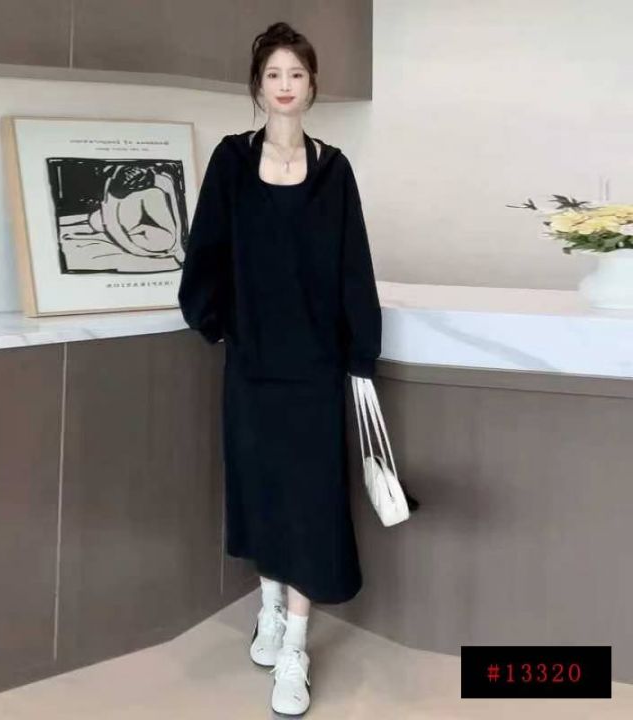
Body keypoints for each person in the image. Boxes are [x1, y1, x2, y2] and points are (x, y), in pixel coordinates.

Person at [177, 21, 381, 717]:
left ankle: (295, 644)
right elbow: (205, 250)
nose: (285, 86)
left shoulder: (335, 170)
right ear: (257, 87)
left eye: (296, 74)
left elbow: (354, 266)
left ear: (312, 85)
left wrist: (361, 351)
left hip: (316, 370)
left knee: (312, 506)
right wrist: (214, 321)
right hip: (253, 366)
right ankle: (268, 606)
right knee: (262, 493)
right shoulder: (232, 162)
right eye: (273, 75)